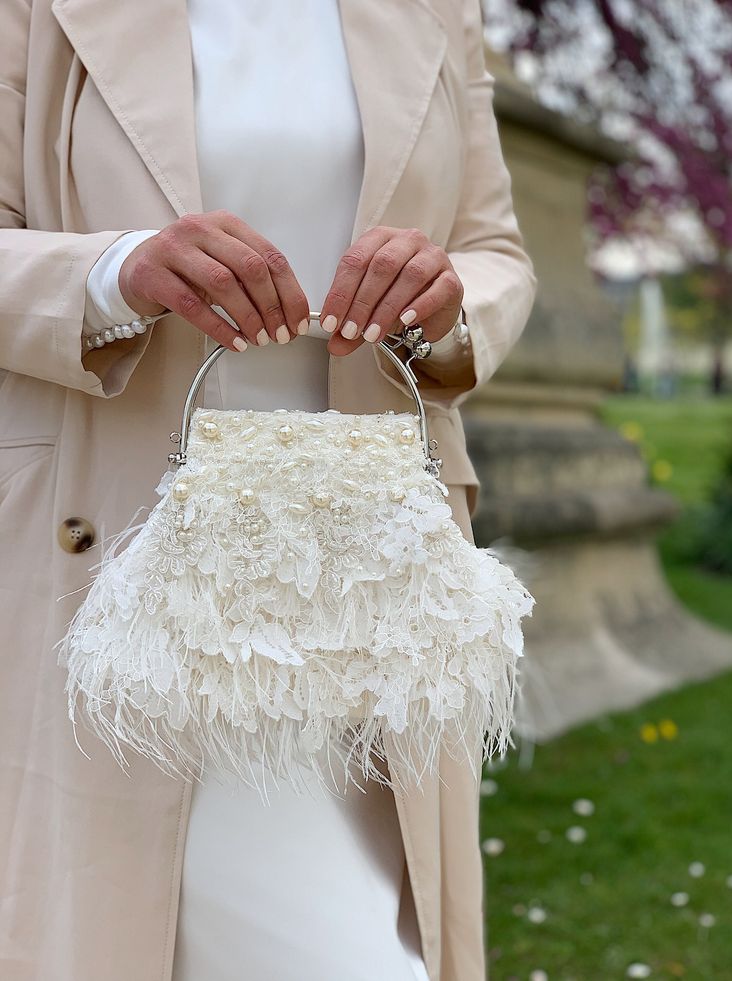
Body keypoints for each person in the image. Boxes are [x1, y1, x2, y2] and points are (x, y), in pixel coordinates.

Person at [0, 1, 537, 979]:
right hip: (124, 571)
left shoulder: (434, 12)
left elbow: (494, 249)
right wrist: (118, 271)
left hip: (376, 569)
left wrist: (445, 294)